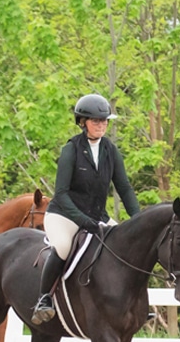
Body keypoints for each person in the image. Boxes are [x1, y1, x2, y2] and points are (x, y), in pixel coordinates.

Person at [31, 94, 141, 323]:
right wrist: (82, 220)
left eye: (104, 121)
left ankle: (135, 303)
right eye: (96, 120)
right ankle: (44, 298)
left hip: (97, 216)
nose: (101, 125)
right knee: (62, 246)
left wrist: (138, 220)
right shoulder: (71, 150)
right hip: (64, 215)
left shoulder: (110, 150)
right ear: (83, 122)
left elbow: (124, 188)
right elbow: (60, 193)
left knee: (128, 247)